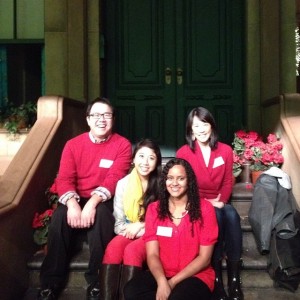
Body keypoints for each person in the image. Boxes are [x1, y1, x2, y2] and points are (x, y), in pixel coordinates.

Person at [37, 98, 132, 300]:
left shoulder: (122, 145)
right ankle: (50, 283)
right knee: (59, 220)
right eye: (96, 115)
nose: (102, 120)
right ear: (88, 119)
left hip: (103, 198)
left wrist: (92, 203)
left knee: (103, 220)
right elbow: (64, 178)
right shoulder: (73, 145)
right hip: (76, 197)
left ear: (113, 119)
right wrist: (72, 204)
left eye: (107, 115)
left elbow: (115, 178)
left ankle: (97, 282)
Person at [124, 158, 218, 300]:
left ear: (189, 181)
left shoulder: (205, 209)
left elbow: (204, 258)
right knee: (131, 290)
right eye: (170, 178)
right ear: (164, 181)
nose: (174, 183)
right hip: (162, 272)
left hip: (195, 275)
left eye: (181, 179)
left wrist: (172, 283)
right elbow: (152, 254)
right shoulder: (154, 209)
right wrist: (162, 282)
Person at [176, 107, 244, 300]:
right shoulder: (183, 152)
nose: (201, 129)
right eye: (196, 125)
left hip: (219, 201)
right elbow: (183, 184)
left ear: (211, 126)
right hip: (196, 202)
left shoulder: (225, 150)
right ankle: (216, 281)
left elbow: (228, 182)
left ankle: (234, 280)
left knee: (230, 214)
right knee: (214, 214)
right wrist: (205, 202)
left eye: (204, 124)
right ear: (190, 130)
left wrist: (221, 200)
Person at [100, 138, 162, 300]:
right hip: (128, 230)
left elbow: (165, 221)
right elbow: (119, 224)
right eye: (141, 156)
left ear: (157, 162)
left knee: (132, 251)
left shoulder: (163, 185)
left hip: (155, 234)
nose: (145, 162)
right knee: (113, 248)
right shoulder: (123, 184)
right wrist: (133, 230)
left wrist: (141, 226)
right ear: (133, 159)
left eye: (151, 158)